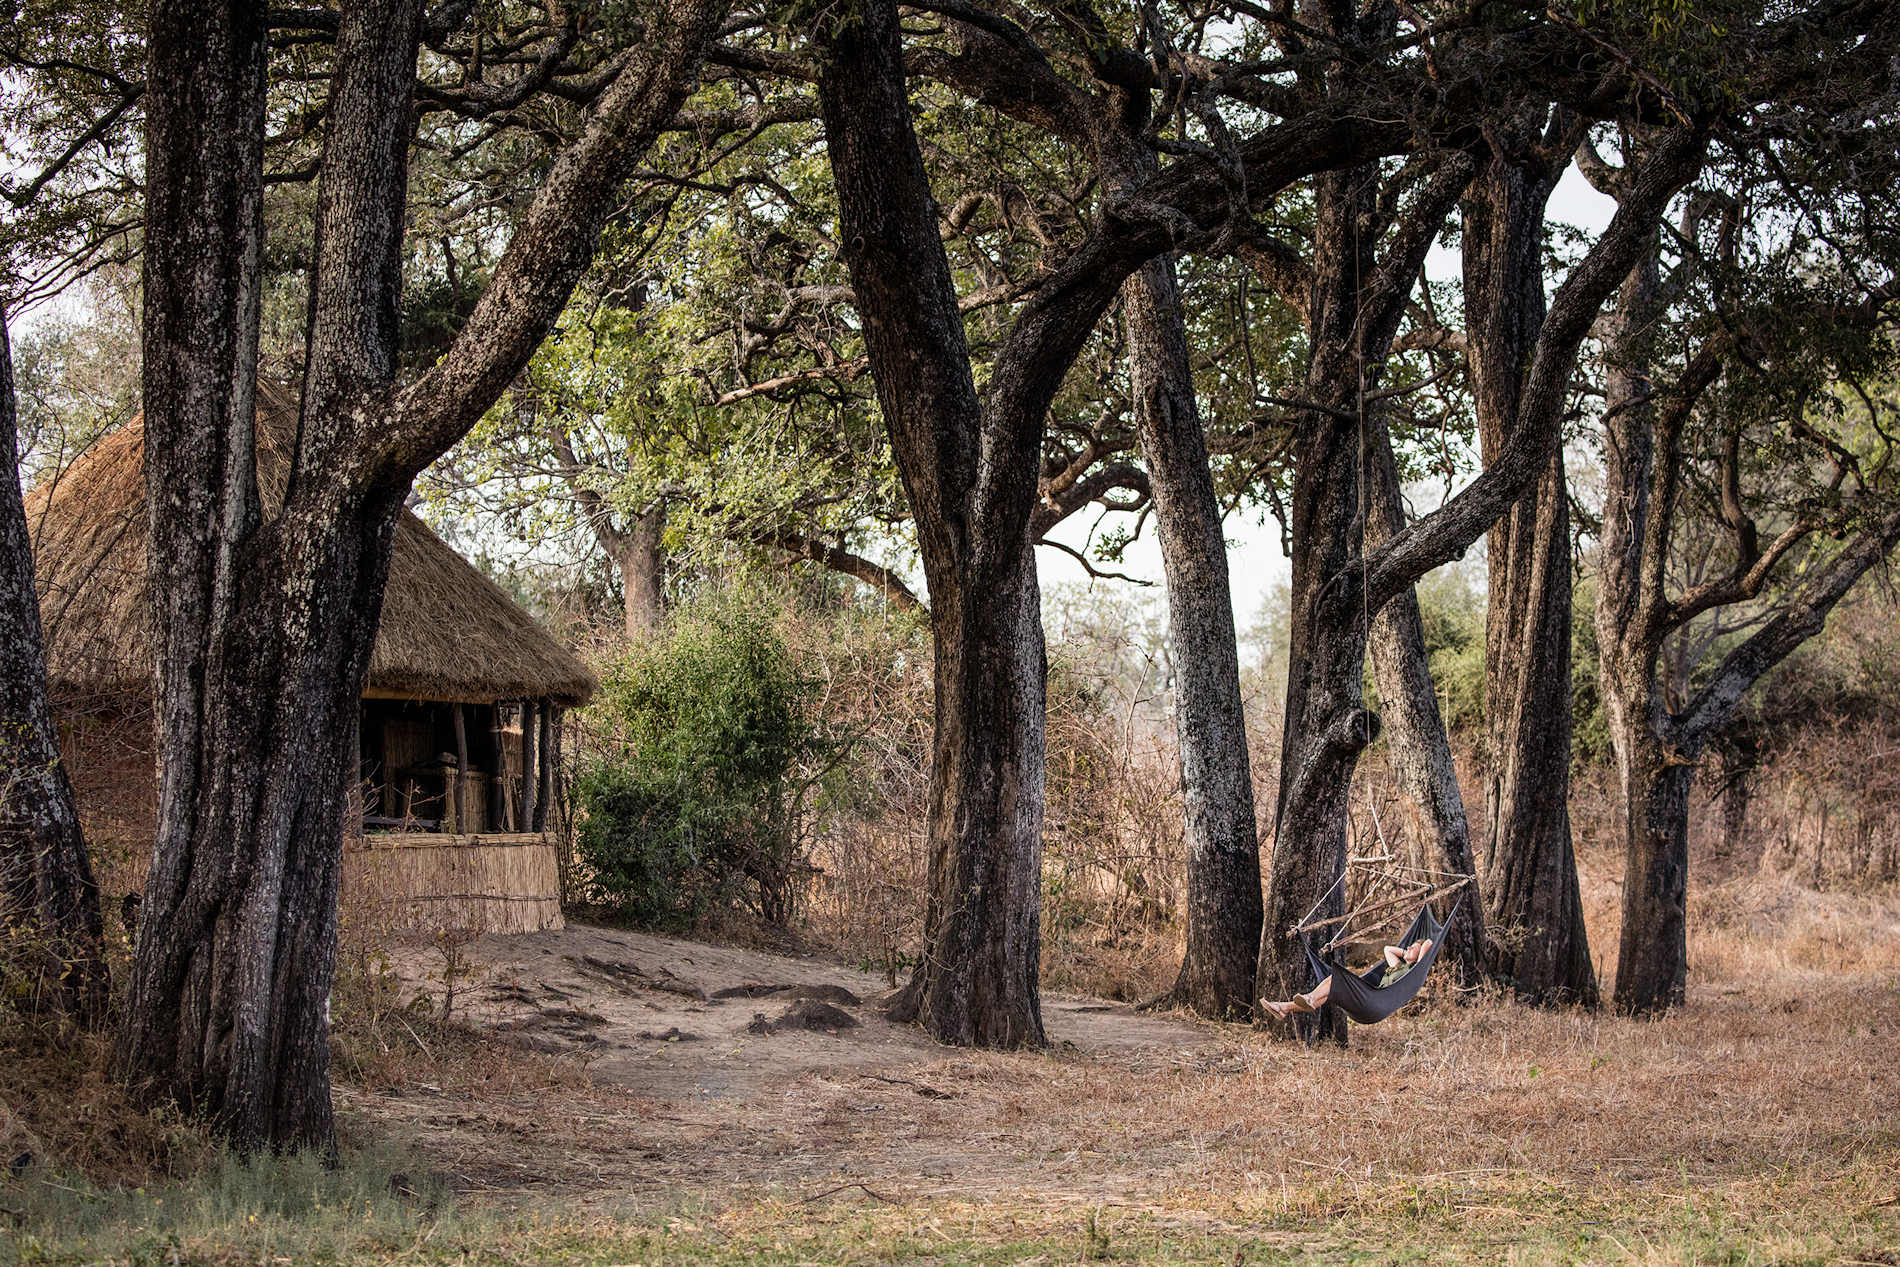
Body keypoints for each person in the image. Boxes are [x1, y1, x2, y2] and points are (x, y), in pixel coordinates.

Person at [1259, 937, 1433, 1021]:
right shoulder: (1398, 967)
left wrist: (1417, 953)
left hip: (1375, 1001)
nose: (1408, 947)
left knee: (1335, 979)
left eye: (1412, 947)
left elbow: (1429, 943)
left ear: (1419, 957)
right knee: (1330, 986)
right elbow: (1388, 949)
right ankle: (1284, 1007)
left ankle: (1309, 998)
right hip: (1369, 998)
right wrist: (1406, 953)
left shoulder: (1413, 970)